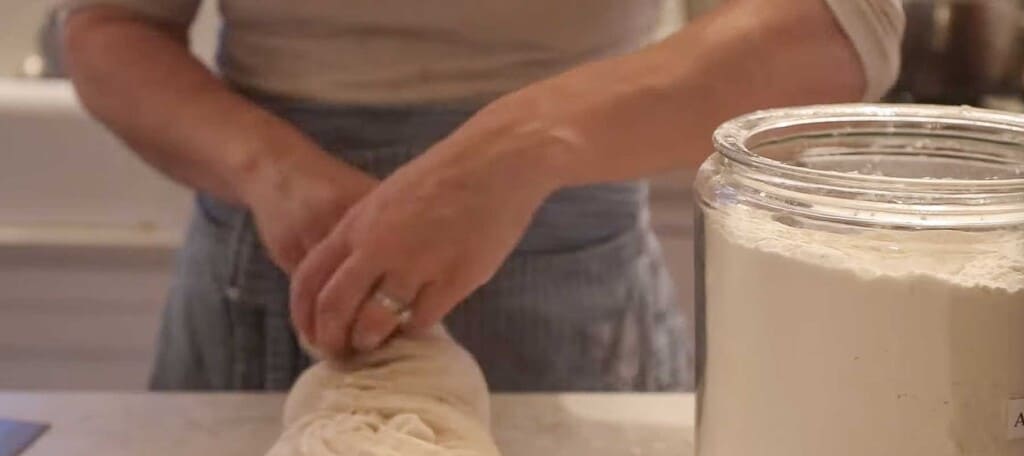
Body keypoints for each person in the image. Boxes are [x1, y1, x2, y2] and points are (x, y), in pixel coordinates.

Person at [62, 0, 904, 392]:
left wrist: (523, 145)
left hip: (575, 280)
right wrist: (273, 171)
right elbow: (109, 28)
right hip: (280, 263)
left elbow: (835, 28)